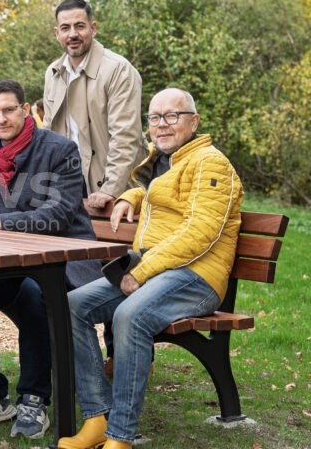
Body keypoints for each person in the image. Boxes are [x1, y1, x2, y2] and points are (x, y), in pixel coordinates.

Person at [58, 88, 244, 449]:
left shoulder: (211, 162)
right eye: (155, 117)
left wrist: (140, 272)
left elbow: (200, 233)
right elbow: (162, 194)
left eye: (172, 115)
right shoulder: (166, 161)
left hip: (196, 277)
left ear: (194, 121)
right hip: (159, 271)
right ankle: (97, 417)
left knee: (130, 316)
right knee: (73, 305)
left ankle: (121, 436)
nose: (162, 124)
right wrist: (131, 195)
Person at [0, 79, 101, 439]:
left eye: (9, 110)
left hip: (65, 259)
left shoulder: (60, 150)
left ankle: (34, 398)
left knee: (33, 294)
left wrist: (0, 220)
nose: (1, 118)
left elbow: (59, 213)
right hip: (8, 262)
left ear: (26, 111)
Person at [43, 0, 147, 209]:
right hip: (68, 183)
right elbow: (48, 132)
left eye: (79, 26)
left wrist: (111, 188)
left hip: (112, 185)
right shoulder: (53, 72)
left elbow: (125, 135)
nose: (72, 34)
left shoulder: (118, 70)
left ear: (93, 28)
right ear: (57, 34)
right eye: (65, 28)